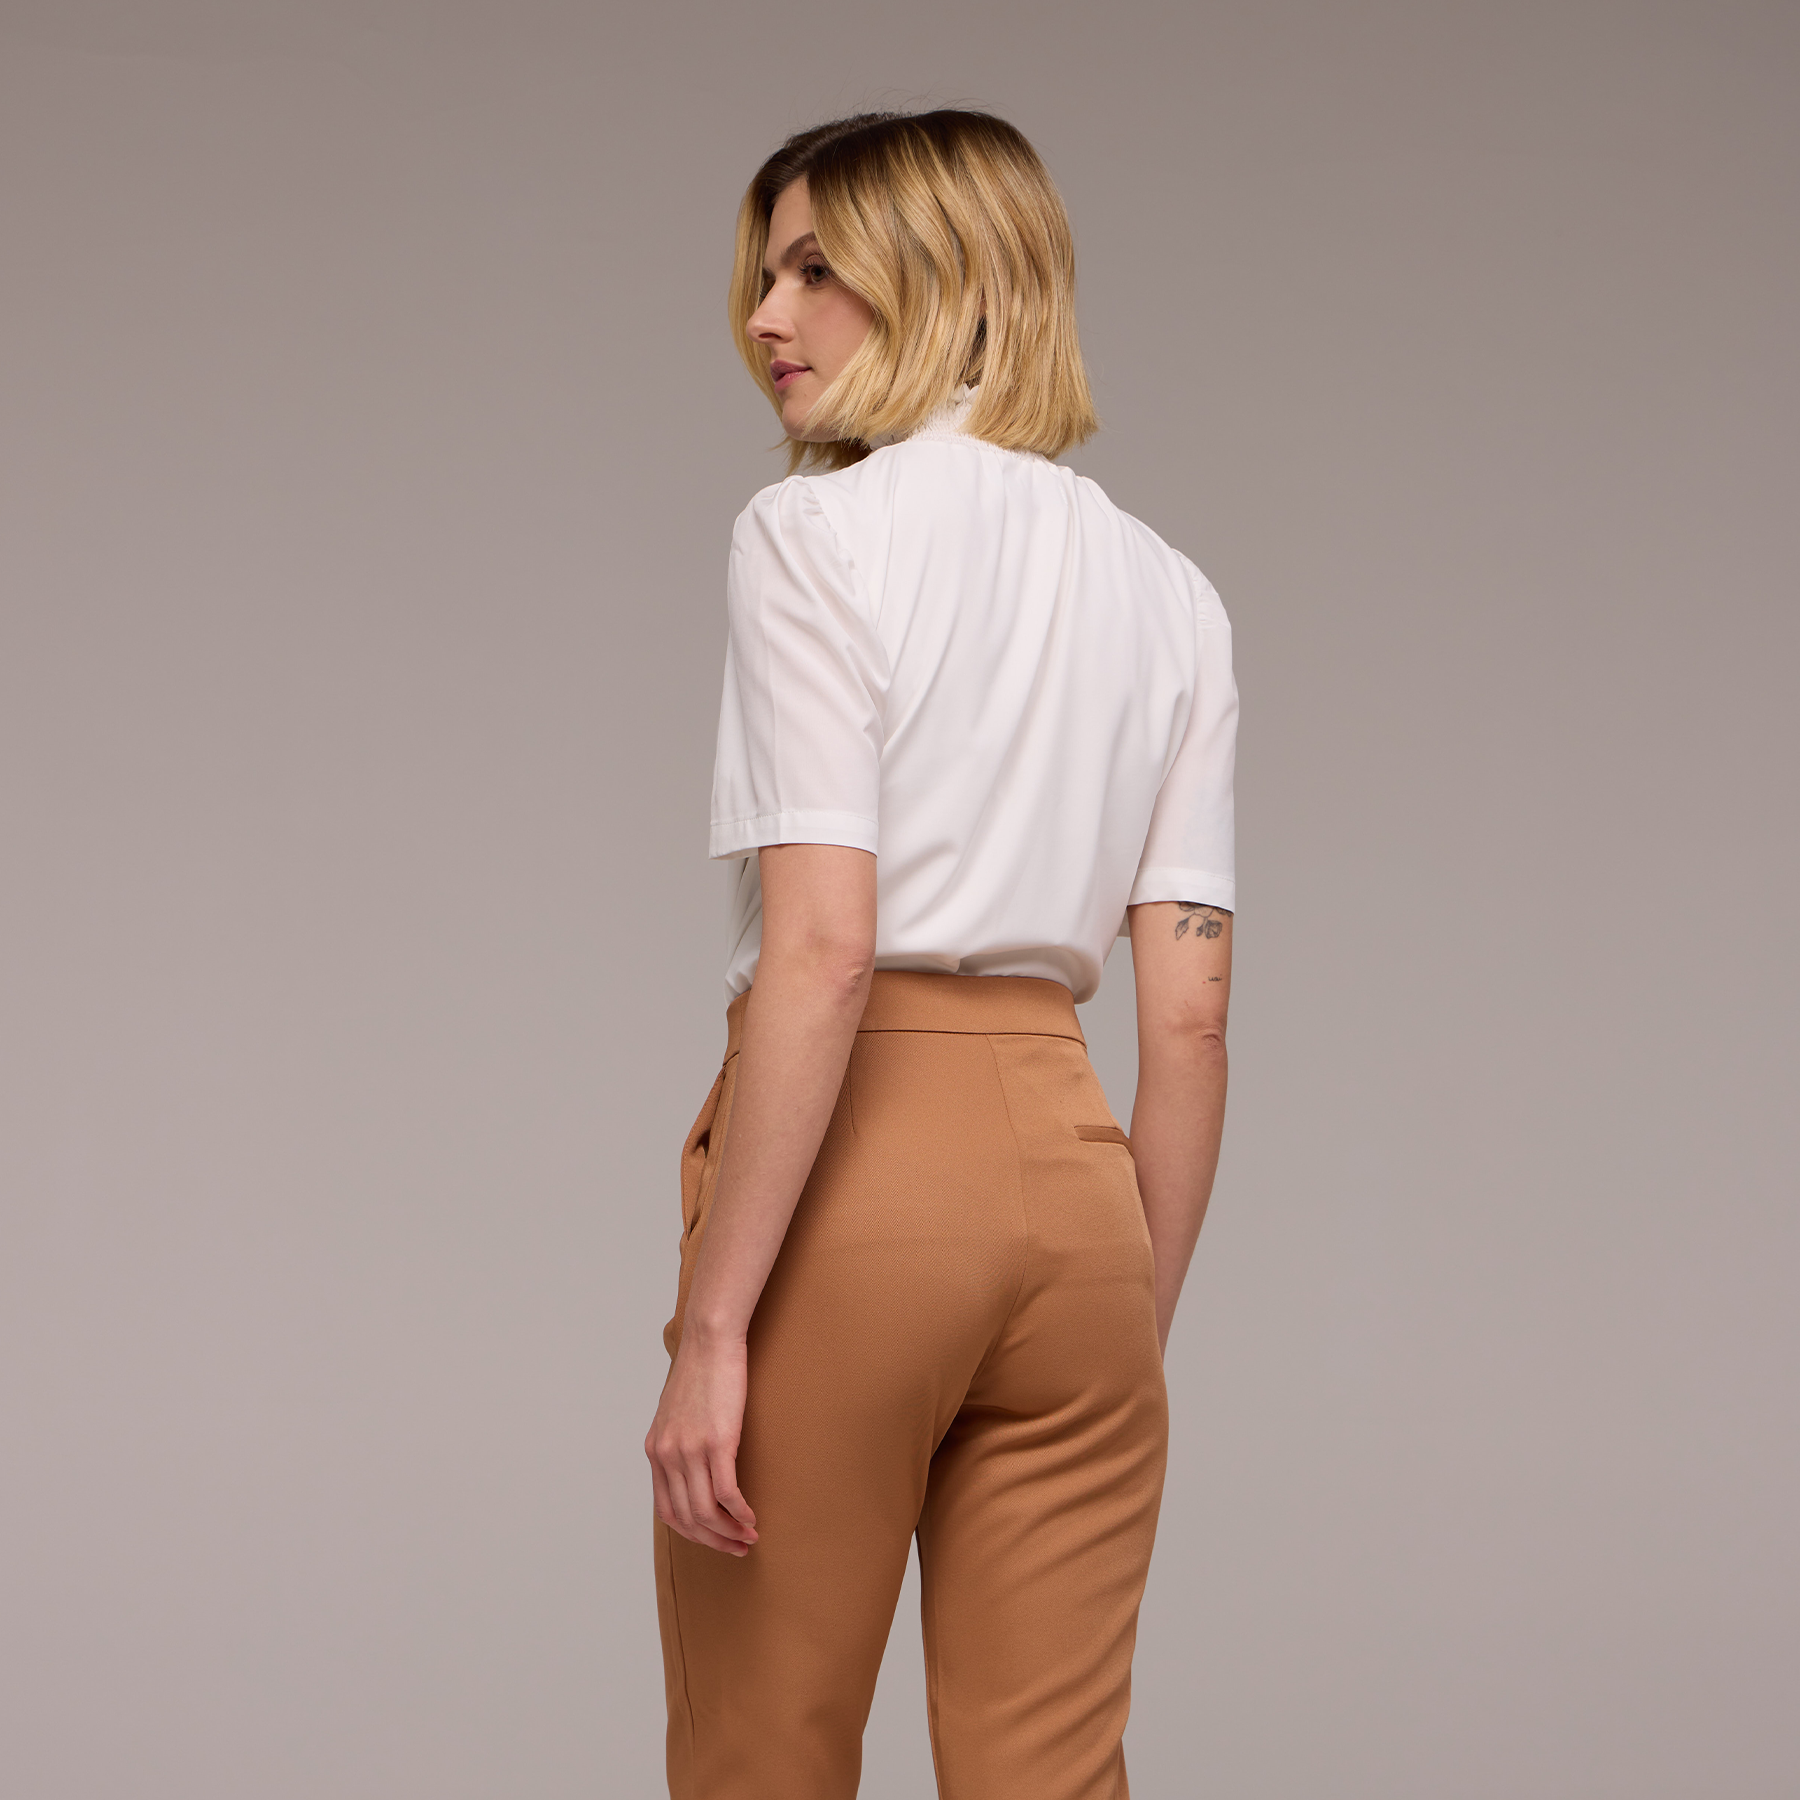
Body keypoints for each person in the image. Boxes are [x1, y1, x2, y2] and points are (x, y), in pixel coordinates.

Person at [644, 108, 1237, 1800]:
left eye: (815, 269)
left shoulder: (811, 539)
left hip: (860, 1168)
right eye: (764, 273)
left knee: (765, 1752)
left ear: (951, 281)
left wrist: (712, 1334)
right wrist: (1124, 1327)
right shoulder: (1173, 594)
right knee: (1053, 1775)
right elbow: (1191, 1024)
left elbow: (827, 953)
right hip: (1084, 1199)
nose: (766, 315)